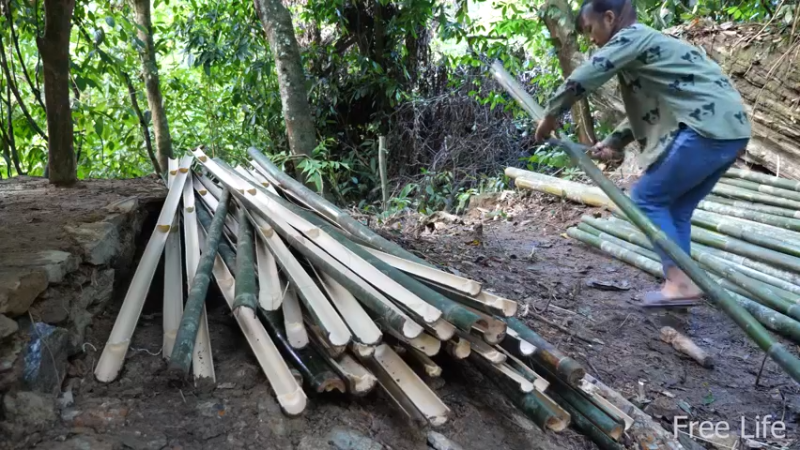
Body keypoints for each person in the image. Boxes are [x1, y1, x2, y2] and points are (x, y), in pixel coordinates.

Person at [534, 0, 751, 307]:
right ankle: (683, 282)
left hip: (706, 129)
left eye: (591, 30)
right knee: (676, 208)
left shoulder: (632, 37)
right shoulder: (652, 47)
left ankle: (680, 283)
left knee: (647, 198)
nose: (592, 40)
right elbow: (653, 110)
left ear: (609, 18)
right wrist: (613, 142)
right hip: (731, 132)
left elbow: (587, 74)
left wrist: (551, 116)